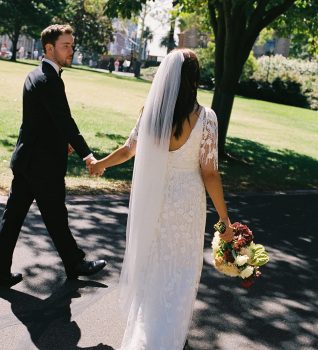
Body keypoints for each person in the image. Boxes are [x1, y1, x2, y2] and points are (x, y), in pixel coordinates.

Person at [89, 48, 234, 349]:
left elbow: (129, 151)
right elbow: (210, 173)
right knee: (181, 273)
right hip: (187, 205)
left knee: (155, 269)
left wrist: (101, 163)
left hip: (155, 201)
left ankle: (148, 335)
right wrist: (224, 218)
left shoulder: (151, 113)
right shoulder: (206, 118)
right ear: (193, 78)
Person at [0, 24, 106, 289]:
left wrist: (60, 141)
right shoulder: (49, 80)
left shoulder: (35, 75)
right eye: (66, 46)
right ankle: (74, 263)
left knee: (15, 218)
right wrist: (87, 154)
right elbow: (65, 120)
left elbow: (41, 119)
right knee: (54, 217)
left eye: (72, 45)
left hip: (28, 160)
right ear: (49, 48)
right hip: (42, 166)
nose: (71, 50)